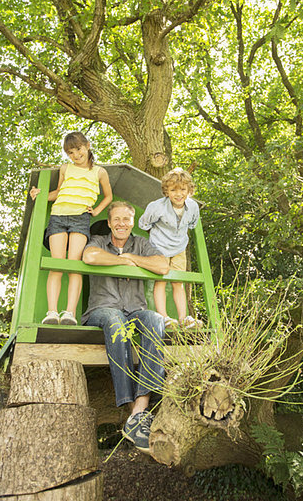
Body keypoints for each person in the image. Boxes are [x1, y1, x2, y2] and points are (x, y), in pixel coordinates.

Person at [81, 201, 169, 453]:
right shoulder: (98, 241)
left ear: (132, 222)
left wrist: (130, 257)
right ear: (109, 223)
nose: (121, 224)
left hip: (136, 311)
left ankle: (139, 411)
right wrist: (121, 261)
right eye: (116, 219)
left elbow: (162, 266)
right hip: (103, 310)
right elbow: (89, 256)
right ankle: (133, 411)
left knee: (155, 319)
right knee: (115, 321)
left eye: (126, 220)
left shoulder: (140, 244)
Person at [30, 131, 112, 326]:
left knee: (74, 265)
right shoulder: (65, 168)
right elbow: (58, 192)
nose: (76, 155)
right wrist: (40, 194)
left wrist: (97, 210)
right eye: (71, 152)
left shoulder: (99, 172)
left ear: (88, 146)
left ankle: (69, 313)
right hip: (58, 216)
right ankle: (52, 312)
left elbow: (108, 196)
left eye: (78, 149)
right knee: (57, 264)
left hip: (80, 219)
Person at [138, 168, 202, 329]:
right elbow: (143, 223)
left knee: (178, 282)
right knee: (160, 280)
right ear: (166, 191)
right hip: (159, 246)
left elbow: (193, 224)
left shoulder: (193, 207)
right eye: (173, 190)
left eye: (182, 189)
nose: (178, 194)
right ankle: (164, 317)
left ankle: (183, 318)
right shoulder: (157, 207)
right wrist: (156, 233)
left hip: (179, 247)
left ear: (189, 190)